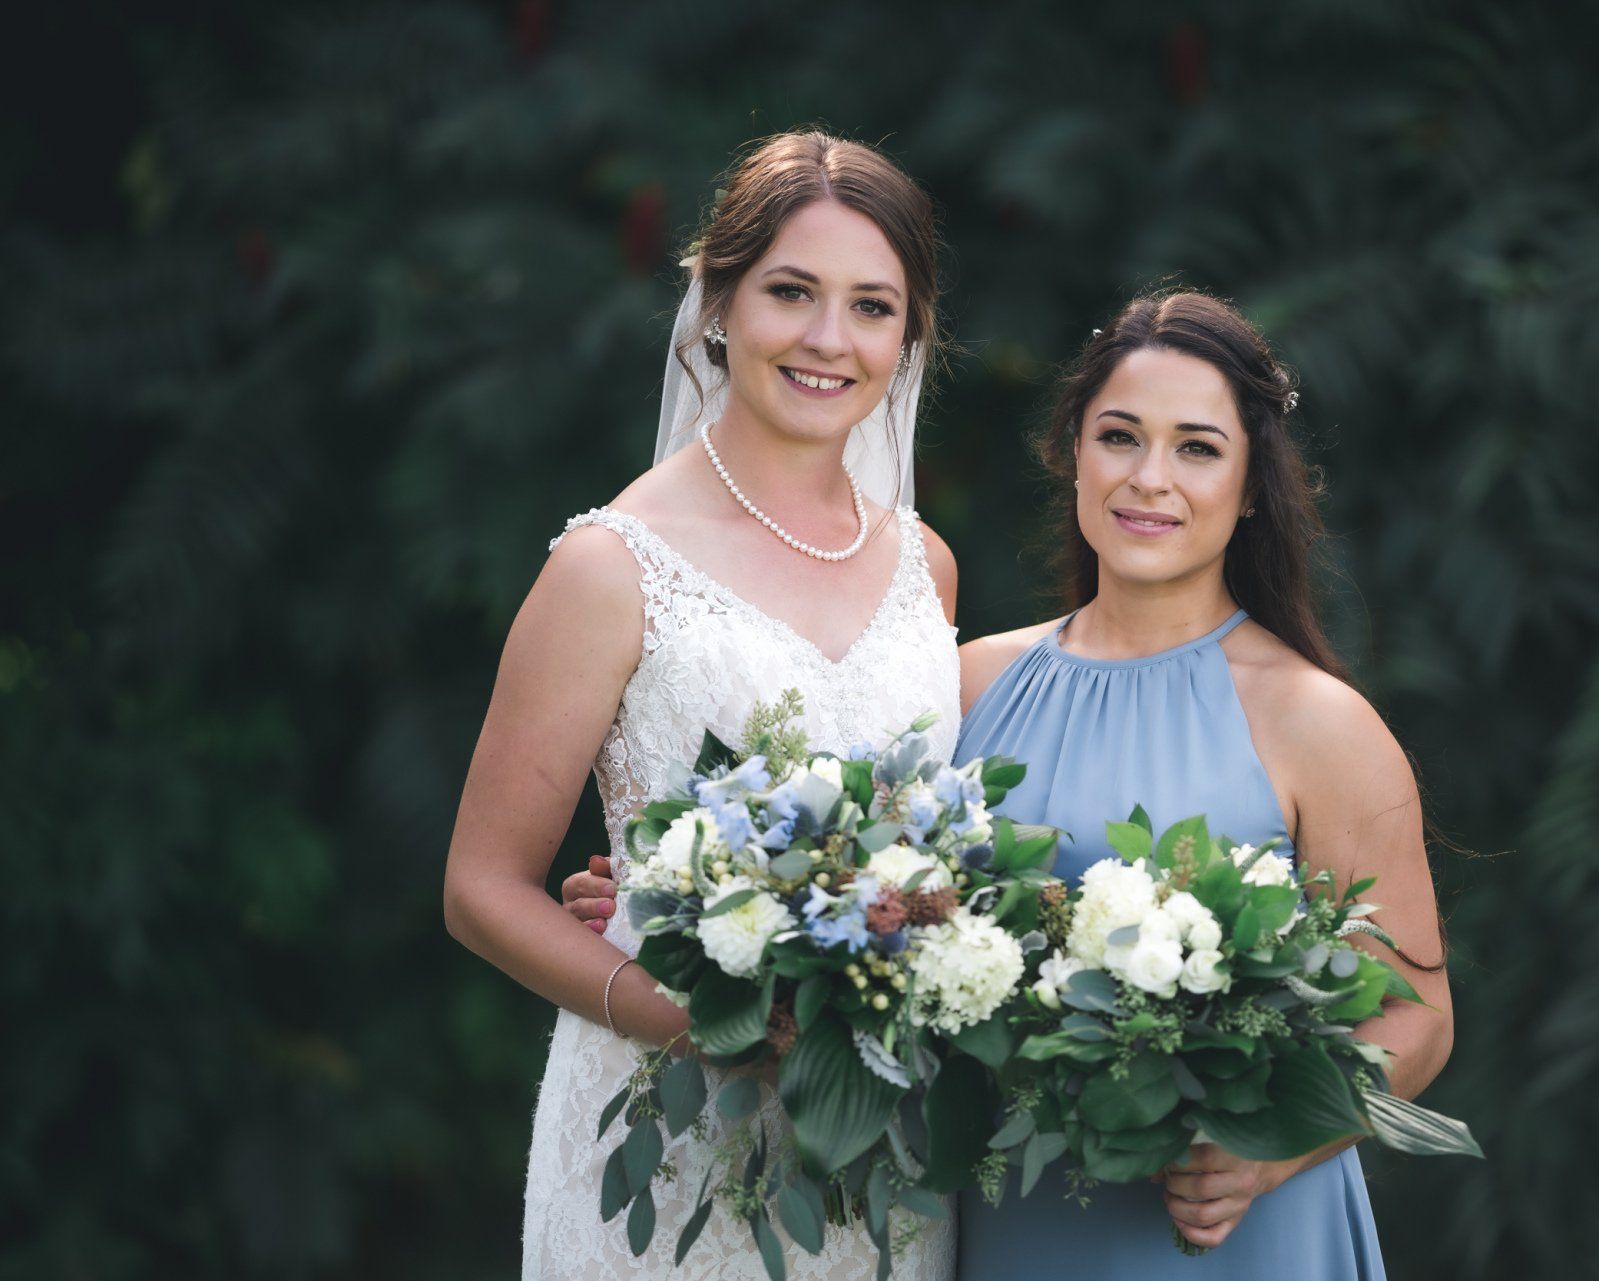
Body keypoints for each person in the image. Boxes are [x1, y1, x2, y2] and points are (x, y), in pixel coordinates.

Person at [565, 291, 1454, 1276]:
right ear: (1074, 452)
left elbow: (1417, 1015)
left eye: (1197, 448)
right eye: (1120, 437)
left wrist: (1272, 1152)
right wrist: (683, 899)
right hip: (1020, 1215)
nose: (1149, 478)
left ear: (1250, 487)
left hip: (1232, 1232)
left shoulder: (1318, 722)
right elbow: (883, 894)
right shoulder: (967, 687)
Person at [445, 130, 961, 1281]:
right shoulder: (609, 567)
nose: (831, 340)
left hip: (877, 1154)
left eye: (872, 307)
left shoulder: (929, 566)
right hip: (665, 1138)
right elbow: (480, 891)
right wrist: (706, 1024)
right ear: (718, 301)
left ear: (909, 336)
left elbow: (938, 860)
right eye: (791, 292)